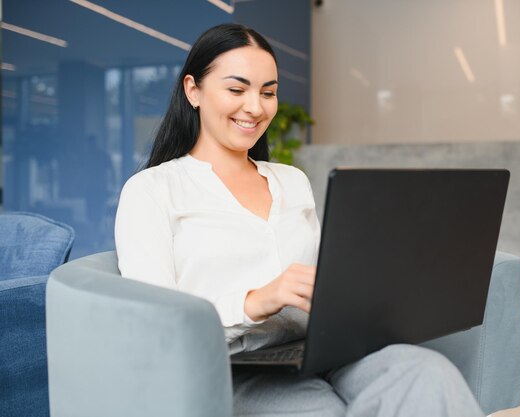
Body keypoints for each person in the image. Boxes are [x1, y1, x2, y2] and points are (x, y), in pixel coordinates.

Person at [115, 23, 484, 417]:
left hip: (325, 349)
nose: (255, 108)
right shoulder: (152, 190)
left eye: (268, 92)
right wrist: (255, 302)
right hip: (234, 367)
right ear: (194, 91)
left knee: (430, 374)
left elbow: (326, 281)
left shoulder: (292, 182)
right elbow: (156, 325)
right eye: (237, 90)